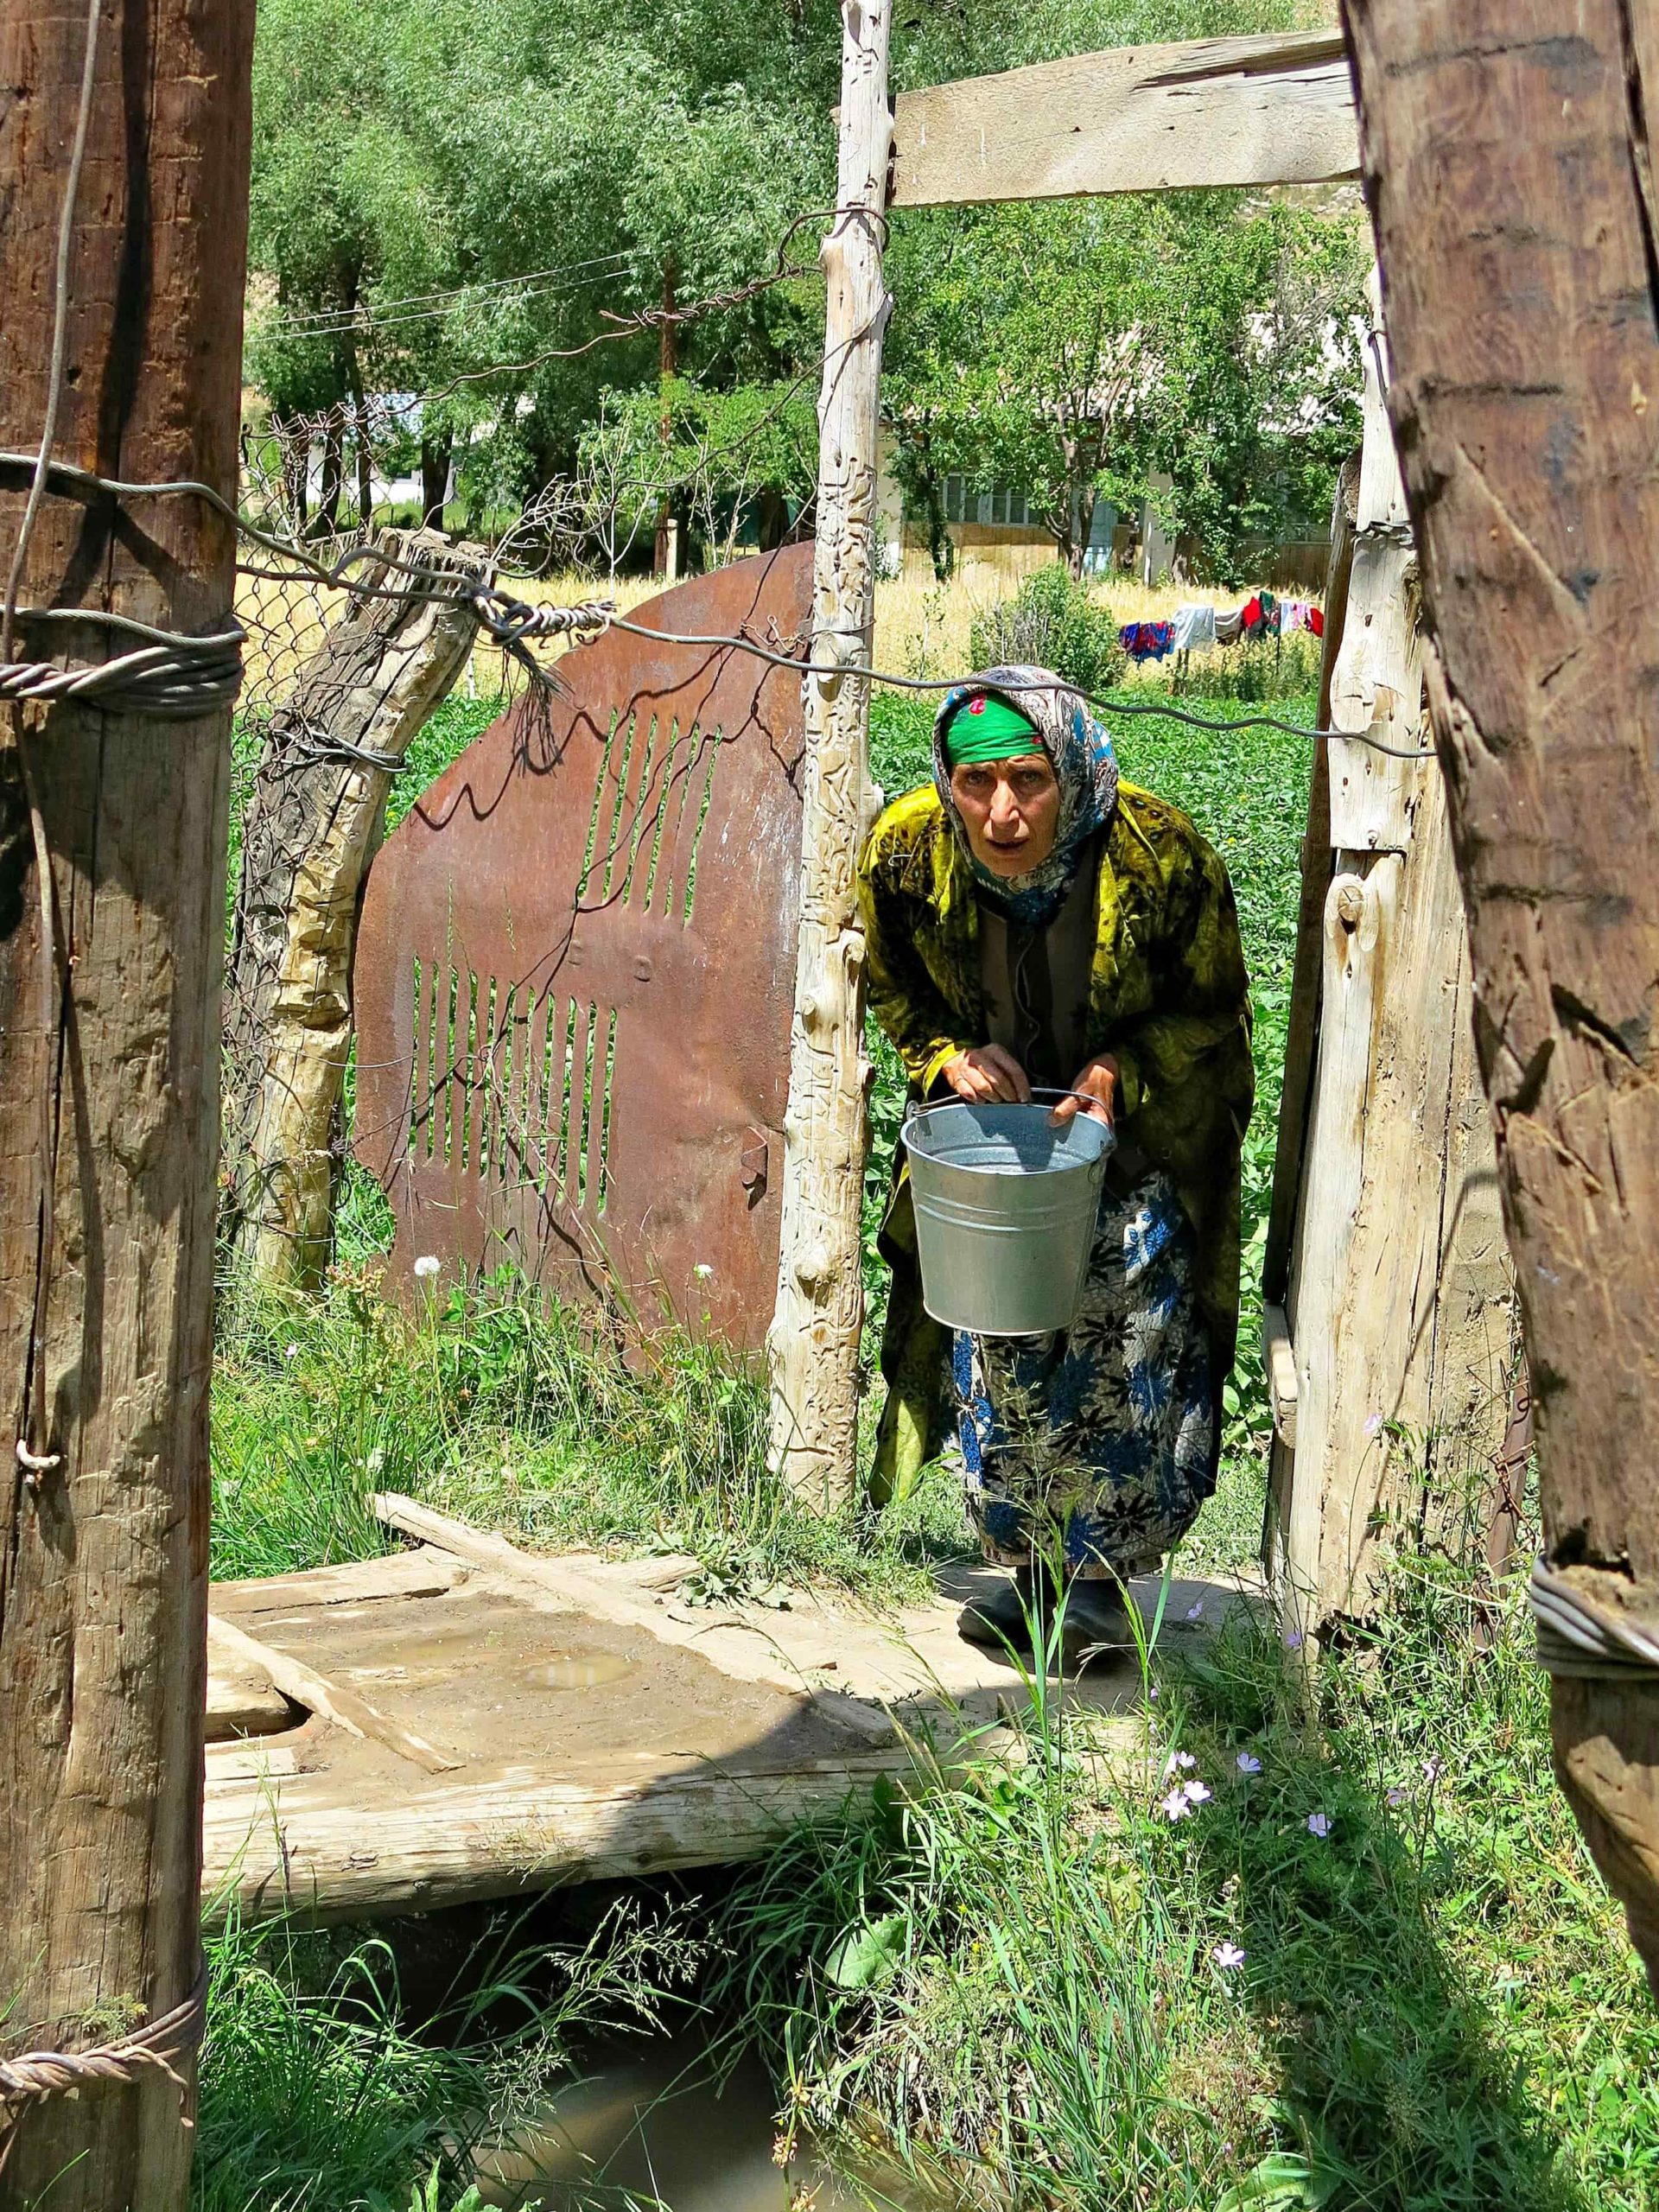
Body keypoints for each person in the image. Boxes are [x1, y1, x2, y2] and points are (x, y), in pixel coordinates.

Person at [856, 666, 1253, 1665]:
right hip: (996, 1162)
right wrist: (947, 1053)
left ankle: (1108, 1591)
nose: (1001, 812)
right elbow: (888, 975)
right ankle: (1034, 1581)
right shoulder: (909, 851)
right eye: (975, 782)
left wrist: (1123, 1067)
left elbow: (1214, 1010)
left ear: (1068, 771)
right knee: (1005, 1352)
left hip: (1135, 1146)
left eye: (1028, 780)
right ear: (945, 781)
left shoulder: (1161, 858)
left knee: (1125, 1351)